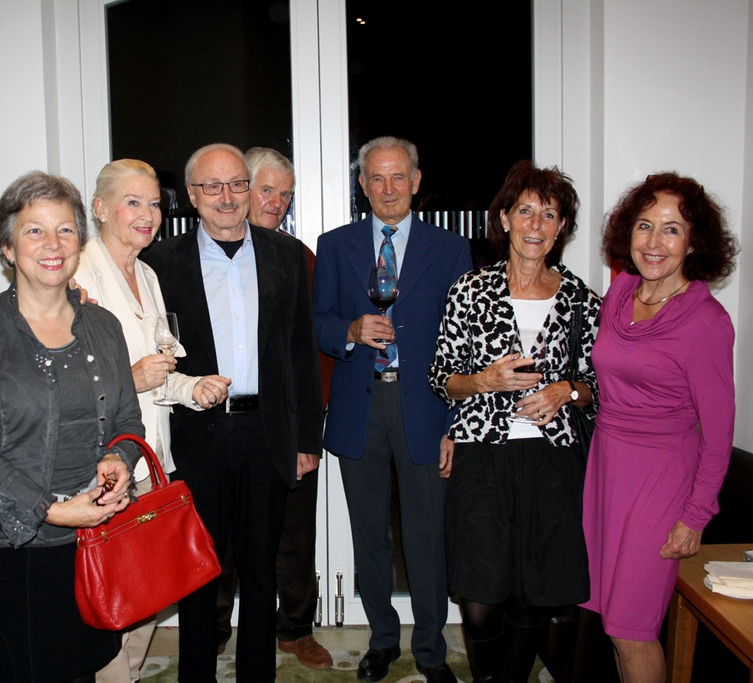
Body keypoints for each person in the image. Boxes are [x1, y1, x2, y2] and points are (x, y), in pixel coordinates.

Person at [140, 143, 323, 682]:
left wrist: (306, 440)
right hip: (197, 435)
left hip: (268, 433)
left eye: (238, 184)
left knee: (262, 568)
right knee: (198, 569)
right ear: (192, 195)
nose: (227, 197)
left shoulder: (285, 255)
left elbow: (301, 352)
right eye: (213, 186)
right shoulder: (160, 263)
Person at [0, 171, 145, 683]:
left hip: (94, 540)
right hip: (16, 549)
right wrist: (53, 510)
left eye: (65, 230)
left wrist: (118, 459)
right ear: (7, 247)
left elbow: (127, 419)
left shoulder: (104, 326)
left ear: (80, 244)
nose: (53, 244)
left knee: (85, 666)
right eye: (34, 230)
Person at [429, 161, 600, 683]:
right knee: (480, 600)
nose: (535, 225)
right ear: (503, 219)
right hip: (482, 457)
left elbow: (598, 385)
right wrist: (483, 381)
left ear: (562, 226)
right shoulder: (469, 290)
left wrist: (566, 390)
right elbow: (441, 378)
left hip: (553, 462)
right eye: (524, 211)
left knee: (537, 596)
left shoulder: (580, 300)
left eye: (548, 215)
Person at [312, 136, 471, 683]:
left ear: (416, 181)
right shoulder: (335, 245)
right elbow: (317, 323)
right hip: (360, 410)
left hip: (426, 407)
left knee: (426, 538)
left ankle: (430, 648)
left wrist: (455, 424)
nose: (387, 189)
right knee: (370, 536)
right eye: (376, 178)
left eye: (398, 177)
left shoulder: (450, 249)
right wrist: (350, 330)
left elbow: (464, 342)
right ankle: (382, 640)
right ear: (362, 185)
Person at [72, 159, 231, 682]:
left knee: (144, 599)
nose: (149, 214)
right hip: (99, 469)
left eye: (156, 204)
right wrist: (132, 378)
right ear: (101, 209)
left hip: (149, 462)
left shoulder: (147, 275)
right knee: (108, 605)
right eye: (133, 202)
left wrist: (193, 388)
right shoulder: (75, 275)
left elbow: (158, 371)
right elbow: (63, 386)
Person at [582, 173, 737, 683]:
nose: (654, 242)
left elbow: (718, 433)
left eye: (672, 229)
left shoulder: (706, 322)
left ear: (694, 242)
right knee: (613, 624)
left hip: (661, 482)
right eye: (645, 225)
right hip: (608, 471)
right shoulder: (621, 291)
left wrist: (695, 516)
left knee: (633, 629)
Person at [213, 147, 334, 670]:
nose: (277, 203)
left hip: (288, 421)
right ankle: (215, 629)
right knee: (222, 534)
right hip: (224, 419)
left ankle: (296, 629)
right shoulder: (208, 256)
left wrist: (310, 422)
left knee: (295, 532)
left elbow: (312, 342)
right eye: (267, 190)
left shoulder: (299, 257)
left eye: (286, 195)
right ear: (241, 188)